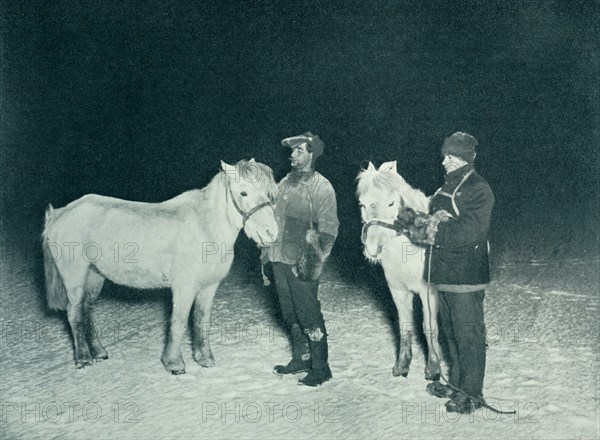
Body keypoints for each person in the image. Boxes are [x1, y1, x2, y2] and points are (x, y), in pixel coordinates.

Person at [415, 132, 495, 414]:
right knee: (451, 334)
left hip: (466, 275)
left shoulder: (478, 189)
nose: (444, 161)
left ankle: (472, 394)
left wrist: (434, 229)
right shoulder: (442, 190)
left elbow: (471, 230)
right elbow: (430, 224)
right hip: (444, 274)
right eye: (445, 156)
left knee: (469, 335)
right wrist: (416, 223)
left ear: (465, 158)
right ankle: (458, 385)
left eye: (451, 156)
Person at [262, 131, 339, 387]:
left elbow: (328, 230)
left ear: (311, 154)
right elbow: (271, 222)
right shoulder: (284, 183)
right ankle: (302, 358)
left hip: (301, 263)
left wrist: (310, 266)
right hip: (278, 259)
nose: (292, 156)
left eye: (298, 151)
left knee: (308, 313)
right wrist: (266, 256)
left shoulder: (321, 186)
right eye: (292, 151)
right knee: (290, 312)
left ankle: (321, 366)